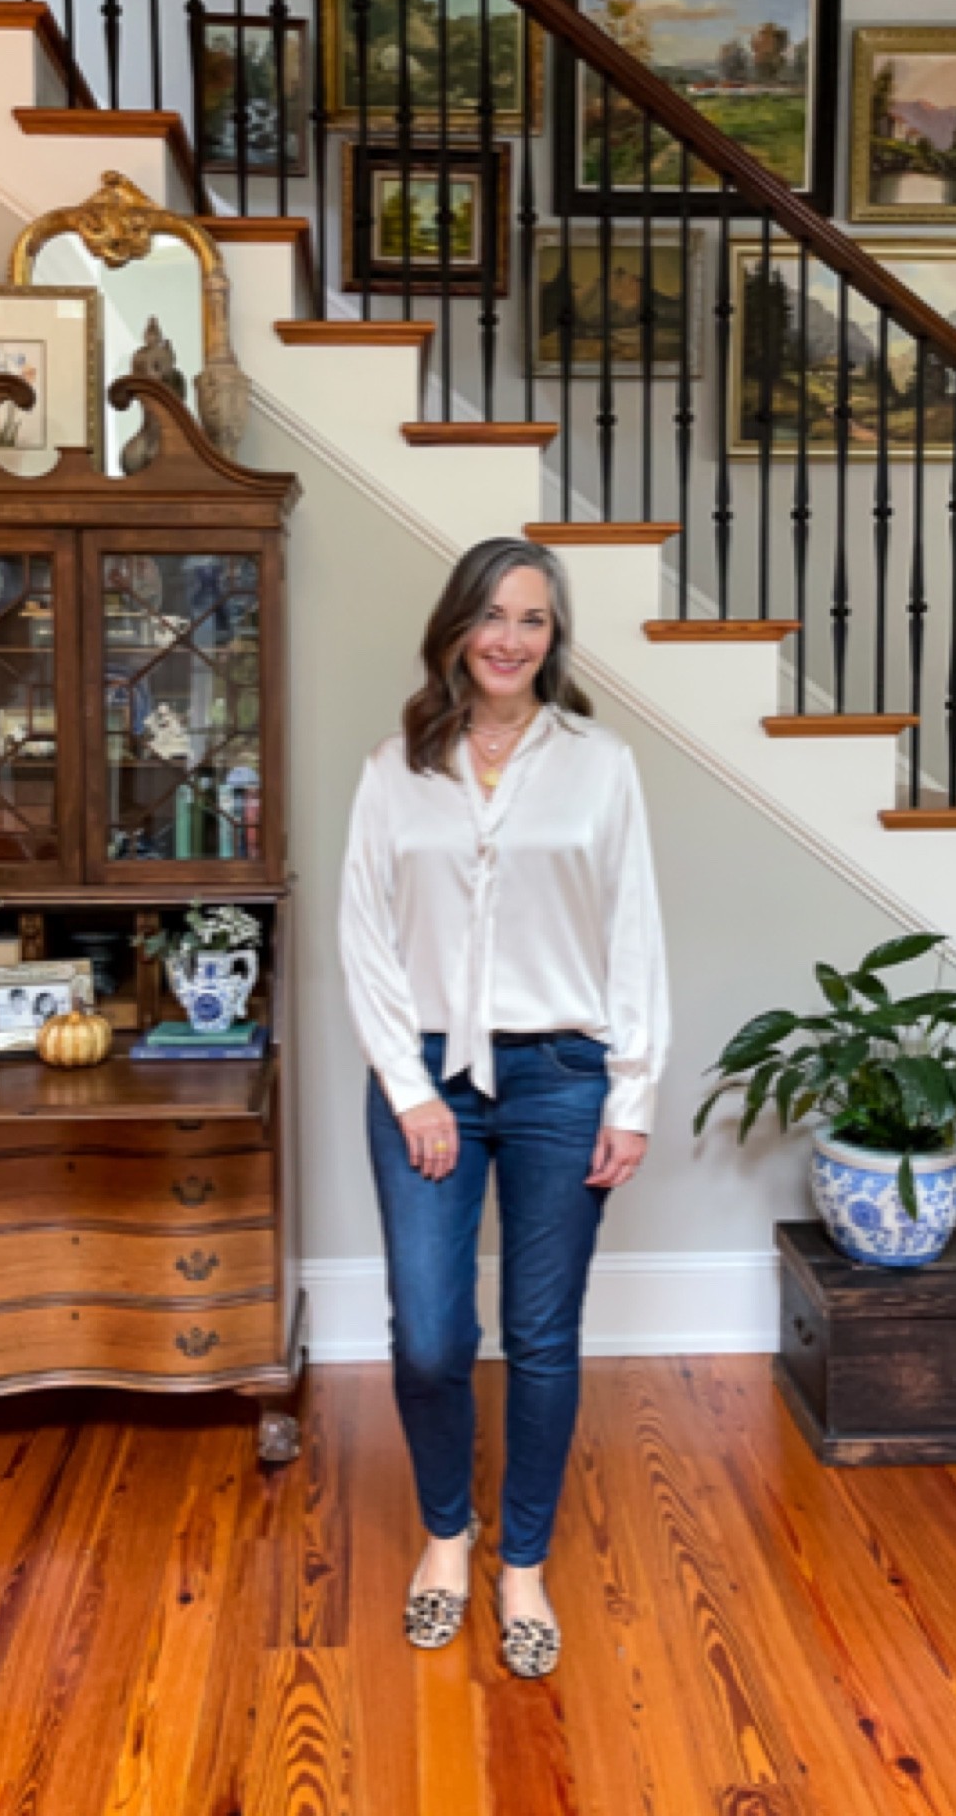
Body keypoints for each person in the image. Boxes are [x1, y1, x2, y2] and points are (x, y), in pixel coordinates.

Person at [338, 536, 669, 1679]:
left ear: (552, 637)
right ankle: (447, 1534)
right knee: (429, 1336)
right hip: (425, 1072)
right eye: (489, 614)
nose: (508, 637)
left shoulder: (599, 761)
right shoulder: (396, 767)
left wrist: (629, 1093)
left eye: (530, 618)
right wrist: (409, 1084)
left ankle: (519, 1559)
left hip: (562, 1076)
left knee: (540, 1334)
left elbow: (632, 933)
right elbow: (364, 937)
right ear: (453, 629)